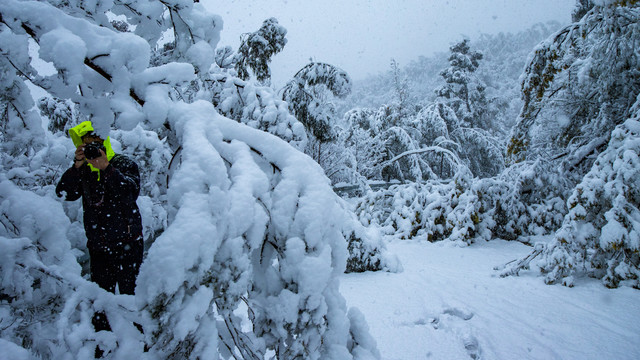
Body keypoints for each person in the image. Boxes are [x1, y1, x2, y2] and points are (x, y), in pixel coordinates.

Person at [56, 121, 144, 335]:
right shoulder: (83, 170)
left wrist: (106, 168)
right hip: (99, 247)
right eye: (88, 145)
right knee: (100, 302)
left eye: (97, 143)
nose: (94, 148)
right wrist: (77, 165)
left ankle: (139, 342)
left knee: (131, 298)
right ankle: (103, 344)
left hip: (128, 245)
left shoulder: (123, 164)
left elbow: (129, 193)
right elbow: (65, 193)